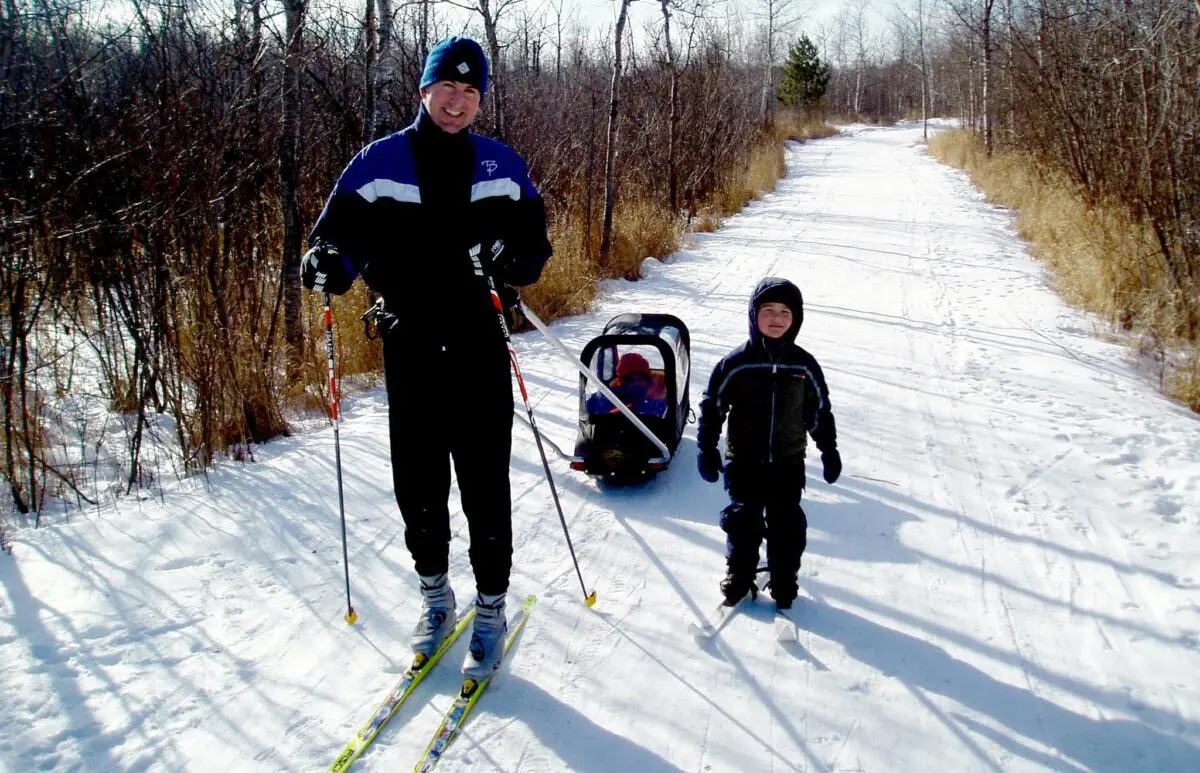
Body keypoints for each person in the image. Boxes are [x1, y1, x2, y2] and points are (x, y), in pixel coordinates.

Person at [300, 36, 552, 681]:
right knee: (418, 480)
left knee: (484, 480)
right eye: (448, 87)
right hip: (410, 342)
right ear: (424, 90)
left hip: (478, 342)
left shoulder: (501, 164)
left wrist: (512, 261)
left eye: (471, 92)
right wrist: (327, 262)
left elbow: (532, 246)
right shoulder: (379, 162)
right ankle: (436, 596)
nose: (458, 101)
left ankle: (490, 603)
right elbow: (337, 237)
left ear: (480, 100)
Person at [695, 277, 842, 611]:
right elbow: (712, 405)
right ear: (753, 315)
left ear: (796, 318)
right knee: (743, 521)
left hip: (788, 463)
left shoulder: (803, 364)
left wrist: (829, 449)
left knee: (786, 523)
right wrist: (706, 447)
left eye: (785, 312)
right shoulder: (737, 363)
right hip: (743, 461)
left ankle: (783, 575)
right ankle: (740, 574)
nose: (776, 318)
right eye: (768, 310)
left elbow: (818, 409)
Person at [585, 352, 668, 418]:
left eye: (640, 380)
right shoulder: (617, 394)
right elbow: (596, 404)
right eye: (631, 381)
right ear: (624, 383)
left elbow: (665, 408)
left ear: (647, 379)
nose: (637, 384)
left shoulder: (659, 390)